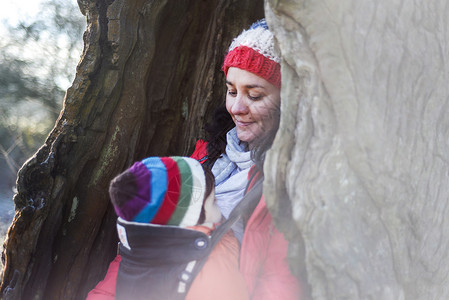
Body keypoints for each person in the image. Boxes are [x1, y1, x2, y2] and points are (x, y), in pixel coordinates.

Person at [88, 19, 305, 300]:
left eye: (254, 95)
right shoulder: (206, 155)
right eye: (231, 91)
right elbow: (145, 242)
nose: (236, 108)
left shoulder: (294, 175)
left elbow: (279, 281)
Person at [86, 156, 249, 300]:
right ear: (188, 220)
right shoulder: (211, 271)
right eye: (213, 201)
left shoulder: (138, 256)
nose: (219, 207)